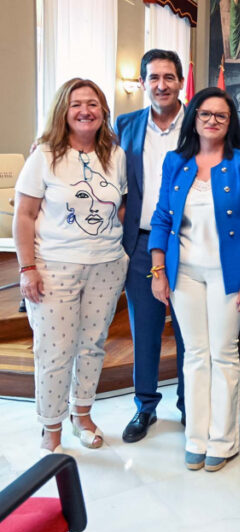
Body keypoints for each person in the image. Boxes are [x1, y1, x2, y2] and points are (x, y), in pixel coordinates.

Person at [148, 87, 240, 472]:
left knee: (223, 353)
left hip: (228, 276)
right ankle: (196, 438)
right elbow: (161, 218)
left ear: (230, 121)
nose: (213, 121)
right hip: (182, 273)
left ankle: (223, 439)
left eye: (221, 115)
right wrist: (157, 271)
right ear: (194, 118)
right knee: (195, 356)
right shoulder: (175, 162)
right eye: (205, 114)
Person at [14, 78, 128, 455]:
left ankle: (83, 414)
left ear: (103, 111)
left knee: (92, 345)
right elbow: (25, 216)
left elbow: (121, 204)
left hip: (107, 266)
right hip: (54, 268)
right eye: (77, 103)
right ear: (64, 110)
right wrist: (27, 268)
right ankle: (51, 428)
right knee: (54, 350)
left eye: (93, 104)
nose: (85, 110)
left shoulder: (115, 154)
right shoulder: (44, 155)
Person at [116, 49, 186, 443]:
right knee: (144, 330)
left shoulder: (198, 122)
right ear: (144, 82)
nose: (161, 85)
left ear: (180, 82)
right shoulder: (124, 125)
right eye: (154, 77)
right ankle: (145, 406)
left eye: (169, 77)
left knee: (187, 329)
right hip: (140, 243)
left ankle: (189, 407)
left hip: (189, 242)